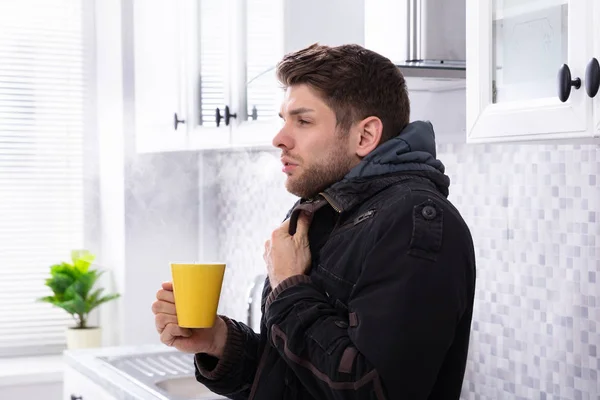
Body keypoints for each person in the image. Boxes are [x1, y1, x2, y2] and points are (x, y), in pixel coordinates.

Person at [152, 43, 476, 400]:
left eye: (303, 121)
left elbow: (371, 391)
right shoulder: (327, 212)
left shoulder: (413, 222)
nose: (279, 139)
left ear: (365, 136)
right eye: (284, 120)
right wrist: (218, 341)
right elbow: (296, 380)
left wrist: (290, 287)